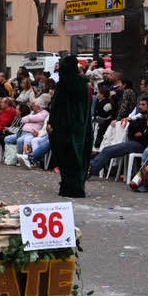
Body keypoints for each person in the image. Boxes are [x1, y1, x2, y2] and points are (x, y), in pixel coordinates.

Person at [50, 55, 92, 197]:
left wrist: (52, 123)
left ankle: (70, 186)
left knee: (66, 157)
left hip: (64, 128)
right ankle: (76, 185)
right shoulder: (83, 84)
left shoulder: (64, 84)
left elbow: (57, 107)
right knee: (78, 156)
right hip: (80, 127)